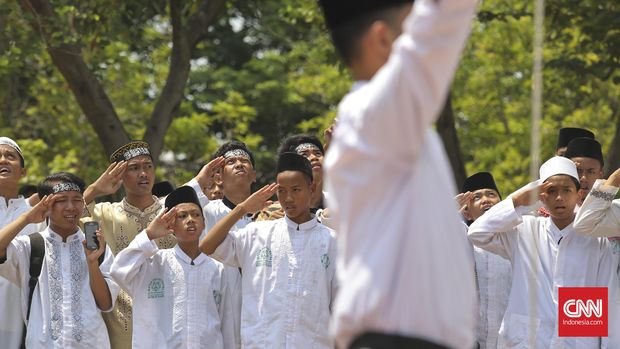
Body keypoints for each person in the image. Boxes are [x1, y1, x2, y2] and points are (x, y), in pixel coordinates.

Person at [318, 0, 478, 347]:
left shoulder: (383, 123)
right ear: (383, 38)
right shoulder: (375, 114)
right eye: (410, 27)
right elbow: (442, 17)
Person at [468, 157, 620, 348]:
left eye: (566, 190)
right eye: (551, 191)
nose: (559, 197)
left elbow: (607, 297)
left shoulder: (595, 240)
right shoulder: (524, 230)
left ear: (578, 193)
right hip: (526, 341)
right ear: (540, 195)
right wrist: (516, 200)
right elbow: (477, 233)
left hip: (577, 341)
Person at [200, 152, 337, 348]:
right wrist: (241, 209)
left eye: (296, 189)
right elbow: (206, 247)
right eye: (281, 191)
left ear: (312, 188)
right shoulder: (257, 233)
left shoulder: (331, 242)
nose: (288, 198)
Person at [0, 172, 119, 348]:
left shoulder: (96, 246)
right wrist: (26, 218)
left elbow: (106, 303)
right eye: (61, 200)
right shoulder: (30, 246)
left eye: (77, 200)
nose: (71, 207)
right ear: (45, 204)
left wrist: (92, 263)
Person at [110, 186, 236, 349]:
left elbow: (226, 324)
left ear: (204, 223)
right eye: (182, 216)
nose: (190, 219)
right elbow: (118, 270)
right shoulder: (154, 264)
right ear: (170, 226)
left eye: (196, 214)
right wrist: (149, 234)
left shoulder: (217, 269)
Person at [81, 140, 176, 349]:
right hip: (124, 324)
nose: (143, 173)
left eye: (147, 166)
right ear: (120, 176)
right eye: (134, 168)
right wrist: (96, 189)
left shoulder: (173, 211)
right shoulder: (106, 213)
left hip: (171, 320)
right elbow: (69, 215)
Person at [0, 137, 46, 349]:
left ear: (23, 172)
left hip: (20, 316)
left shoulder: (36, 215)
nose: (3, 160)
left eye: (10, 156)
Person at [459, 172, 511, 349]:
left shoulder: (515, 240)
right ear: (466, 212)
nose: (486, 200)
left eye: (491, 194)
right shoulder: (461, 241)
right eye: (477, 197)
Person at [258, 135, 329, 222]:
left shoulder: (340, 205)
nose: (314, 158)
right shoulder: (270, 213)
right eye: (304, 154)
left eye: (318, 153)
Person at [564, 137, 604, 203]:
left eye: (590, 172)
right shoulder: (548, 208)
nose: (583, 178)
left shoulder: (613, 210)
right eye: (577, 171)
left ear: (600, 175)